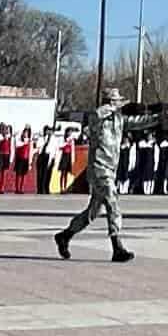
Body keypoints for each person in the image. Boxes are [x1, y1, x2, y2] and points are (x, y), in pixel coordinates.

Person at [55, 98, 135, 265]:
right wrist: (112, 107)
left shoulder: (118, 120)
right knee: (112, 201)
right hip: (98, 169)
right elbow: (97, 114)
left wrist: (158, 117)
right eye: (115, 102)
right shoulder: (96, 120)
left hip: (110, 170)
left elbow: (136, 122)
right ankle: (117, 246)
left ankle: (65, 235)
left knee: (93, 212)